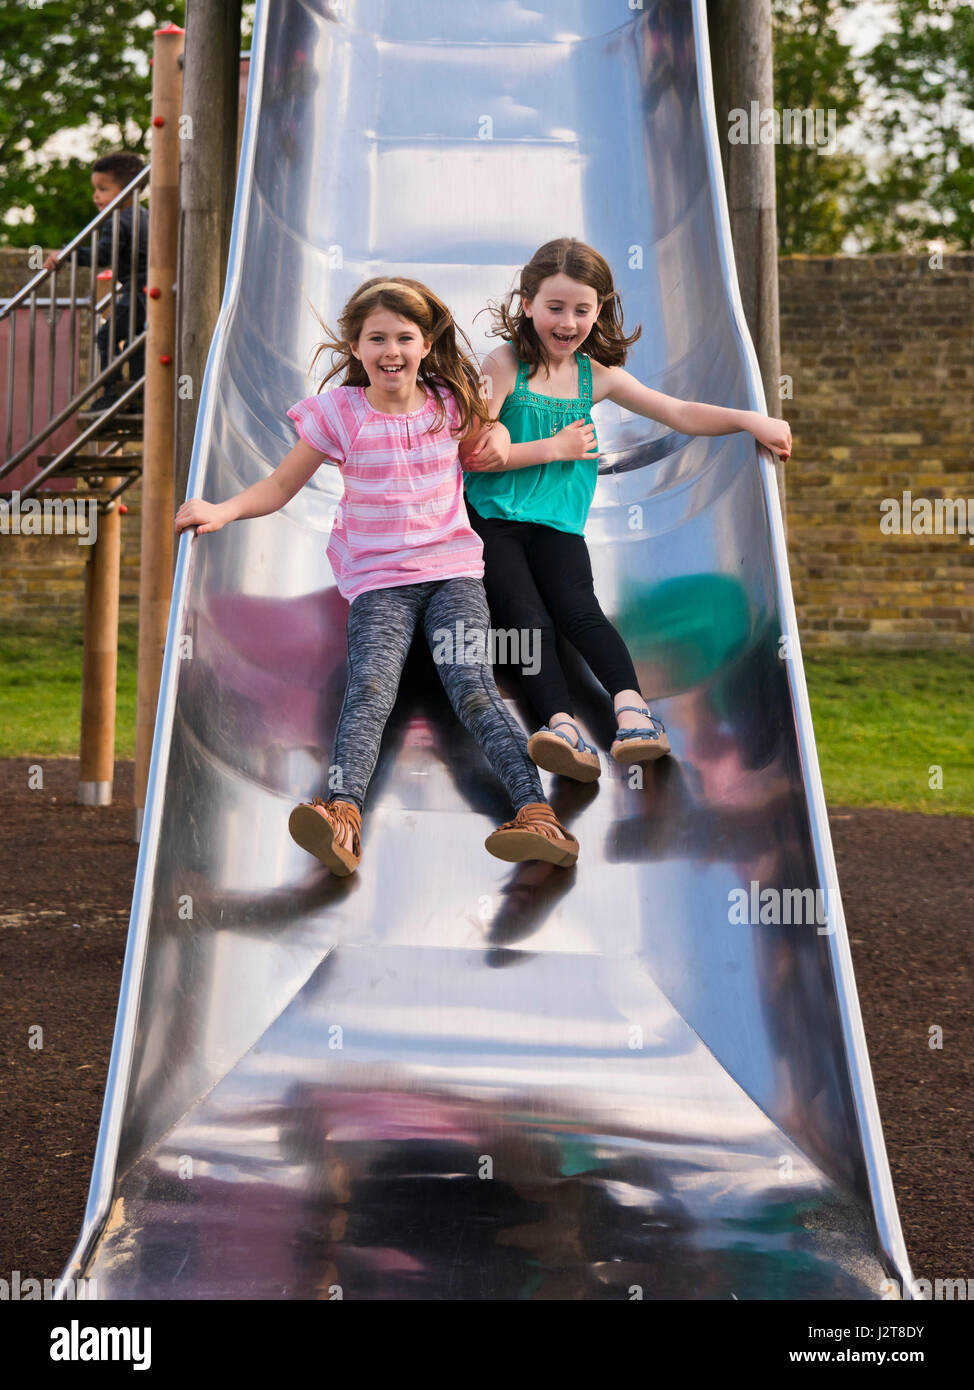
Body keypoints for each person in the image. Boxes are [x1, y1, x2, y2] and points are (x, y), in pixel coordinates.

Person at [174, 277, 579, 876]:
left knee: (472, 686)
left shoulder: (449, 404)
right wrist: (222, 510)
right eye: (377, 338)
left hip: (452, 574)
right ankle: (342, 816)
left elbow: (487, 455)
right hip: (379, 580)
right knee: (369, 687)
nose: (392, 349)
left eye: (404, 338)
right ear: (356, 347)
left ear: (425, 343)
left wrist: (540, 444)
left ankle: (537, 813)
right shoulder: (340, 413)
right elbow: (282, 485)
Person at [463, 237, 792, 782]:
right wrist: (550, 448)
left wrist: (749, 419)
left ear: (600, 310)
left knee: (581, 611)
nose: (567, 321)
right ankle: (560, 726)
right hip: (493, 523)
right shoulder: (504, 365)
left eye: (581, 309)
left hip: (556, 525)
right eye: (555, 307)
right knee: (526, 619)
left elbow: (679, 412)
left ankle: (633, 712)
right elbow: (474, 455)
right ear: (527, 304)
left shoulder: (599, 377)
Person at [44, 152, 149, 411]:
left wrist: (67, 254)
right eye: (95, 189)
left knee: (106, 336)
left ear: (128, 190)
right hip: (148, 291)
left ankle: (112, 391)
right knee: (137, 339)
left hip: (137, 291)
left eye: (103, 189)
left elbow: (103, 255)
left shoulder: (116, 220)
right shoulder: (144, 214)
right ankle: (137, 393)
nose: (96, 196)